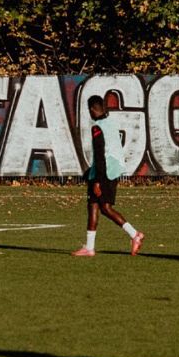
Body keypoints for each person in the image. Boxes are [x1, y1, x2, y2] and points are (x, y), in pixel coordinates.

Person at [72, 95, 144, 256]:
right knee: (95, 206)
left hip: (104, 172)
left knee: (104, 208)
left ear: (92, 109)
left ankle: (134, 234)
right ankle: (90, 247)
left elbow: (100, 154)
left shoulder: (97, 127)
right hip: (111, 169)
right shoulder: (111, 123)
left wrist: (97, 180)